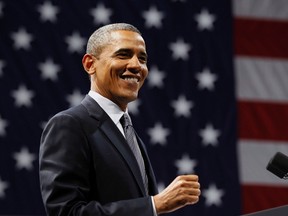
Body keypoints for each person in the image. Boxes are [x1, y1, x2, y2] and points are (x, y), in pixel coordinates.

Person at [39, 23, 200, 216]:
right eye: (123, 54)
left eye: (142, 58)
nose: (136, 66)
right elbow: (65, 212)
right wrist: (155, 205)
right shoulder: (70, 124)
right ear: (90, 64)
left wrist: (153, 207)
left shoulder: (130, 134)